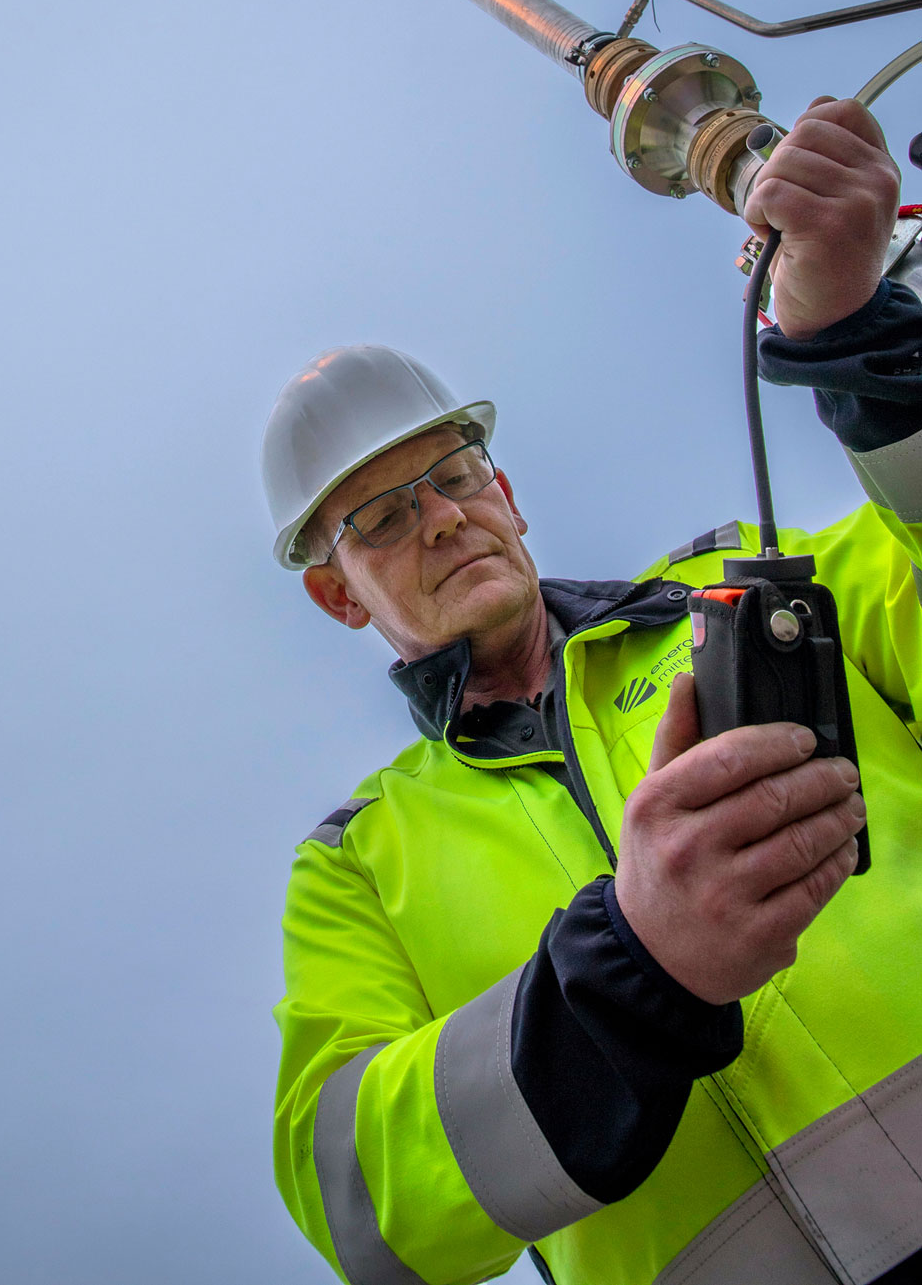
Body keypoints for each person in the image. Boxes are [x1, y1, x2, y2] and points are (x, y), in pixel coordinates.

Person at [262, 98, 922, 1285]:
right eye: (382, 518)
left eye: (454, 475)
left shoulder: (749, 589)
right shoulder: (358, 865)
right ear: (336, 597)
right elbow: (364, 1208)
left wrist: (863, 345)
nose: (442, 518)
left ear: (507, 496)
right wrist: (636, 966)